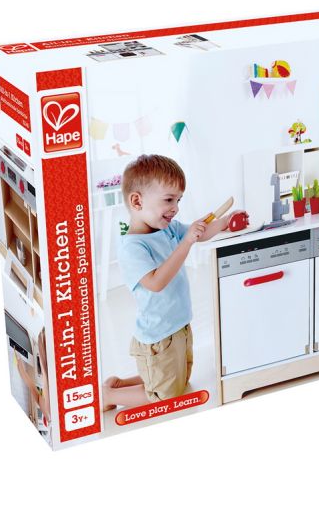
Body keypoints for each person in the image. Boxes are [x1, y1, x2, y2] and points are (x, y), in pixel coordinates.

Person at [103, 154, 240, 410]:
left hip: (178, 325)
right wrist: (185, 243)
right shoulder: (132, 247)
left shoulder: (168, 228)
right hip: (158, 335)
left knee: (177, 380)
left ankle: (119, 384)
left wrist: (224, 223)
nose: (175, 207)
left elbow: (199, 234)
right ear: (137, 201)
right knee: (166, 396)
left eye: (178, 200)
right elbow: (156, 283)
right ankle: (108, 396)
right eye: (168, 199)